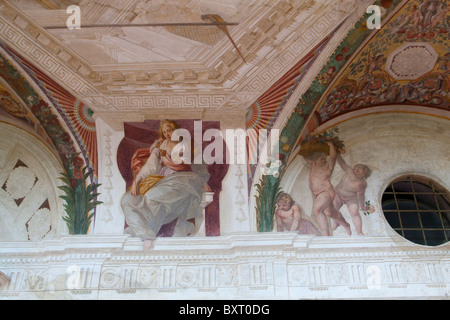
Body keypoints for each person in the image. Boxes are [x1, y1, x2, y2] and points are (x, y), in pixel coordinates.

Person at [121, 120, 210, 252]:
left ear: (176, 129)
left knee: (151, 197)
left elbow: (200, 167)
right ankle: (146, 233)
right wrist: (137, 181)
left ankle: (148, 235)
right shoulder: (161, 145)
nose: (167, 134)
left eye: (170, 130)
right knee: (127, 200)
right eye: (164, 131)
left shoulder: (189, 145)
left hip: (184, 179)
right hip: (162, 180)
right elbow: (150, 167)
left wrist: (203, 181)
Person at [305, 141, 351, 236]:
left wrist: (331, 144)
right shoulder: (314, 165)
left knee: (317, 210)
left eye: (325, 159)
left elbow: (333, 157)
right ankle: (346, 224)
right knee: (329, 212)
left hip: (325, 192)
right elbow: (306, 157)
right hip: (318, 194)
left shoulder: (328, 167)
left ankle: (326, 234)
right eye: (321, 158)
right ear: (316, 160)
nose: (324, 160)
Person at [333, 155, 371, 236]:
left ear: (364, 173)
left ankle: (359, 231)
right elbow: (342, 163)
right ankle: (336, 222)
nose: (357, 168)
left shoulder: (362, 183)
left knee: (355, 212)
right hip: (338, 194)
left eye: (361, 168)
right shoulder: (349, 171)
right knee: (333, 209)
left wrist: (362, 205)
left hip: (351, 198)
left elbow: (361, 195)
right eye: (357, 167)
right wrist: (337, 155)